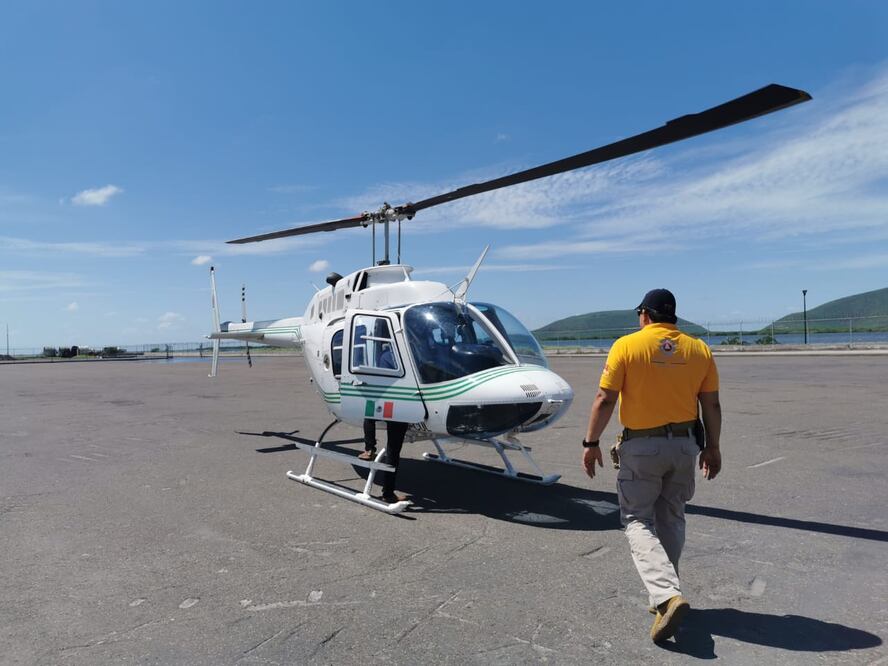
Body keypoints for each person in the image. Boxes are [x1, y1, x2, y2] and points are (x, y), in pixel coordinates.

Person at [581, 288, 722, 643]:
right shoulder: (699, 349)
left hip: (642, 447)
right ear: (672, 315)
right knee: (671, 517)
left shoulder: (627, 346)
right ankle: (663, 596)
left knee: (637, 520)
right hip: (685, 446)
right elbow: (712, 405)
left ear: (645, 314)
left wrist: (591, 443)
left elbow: (605, 398)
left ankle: (667, 595)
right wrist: (713, 447)